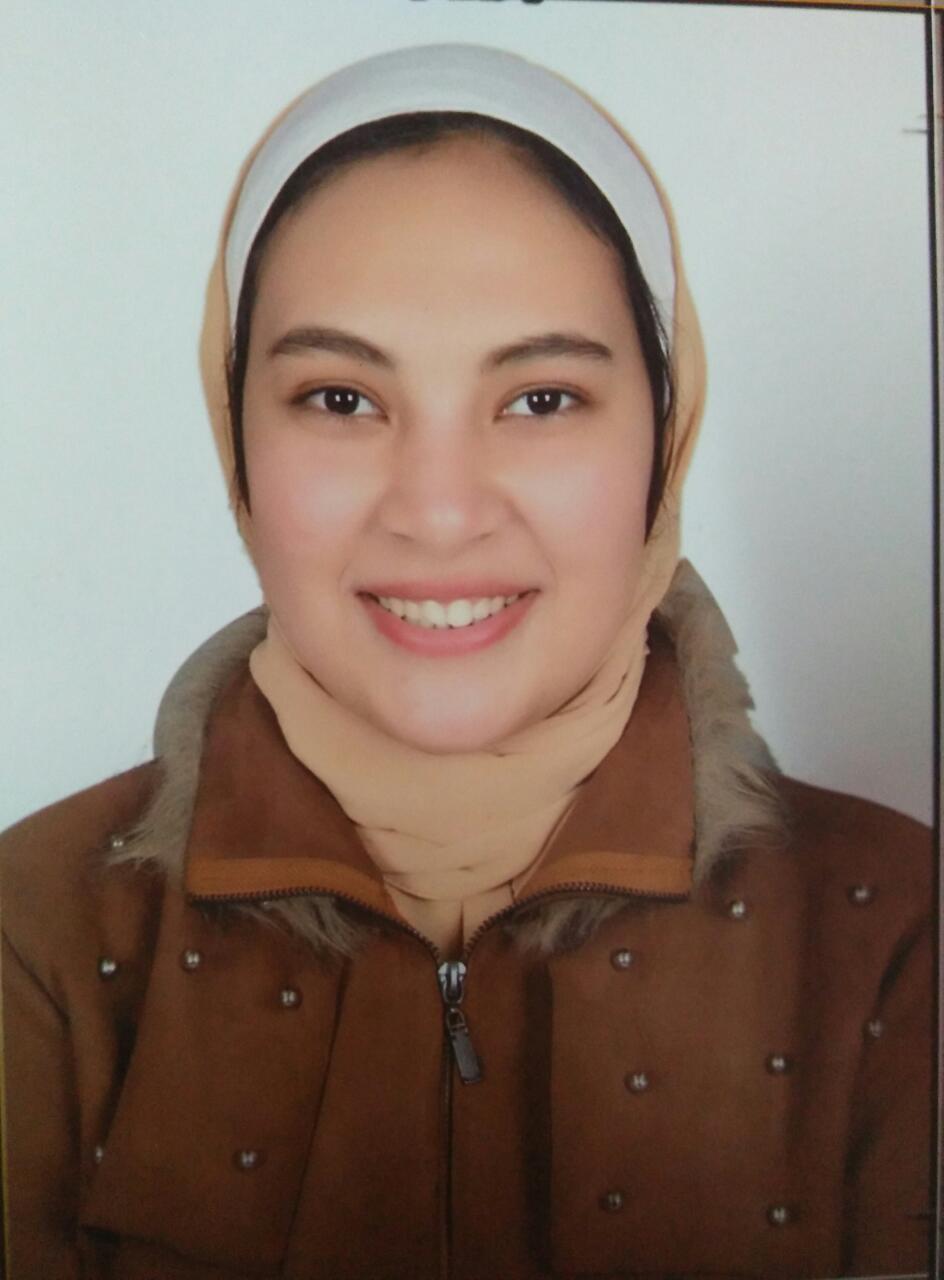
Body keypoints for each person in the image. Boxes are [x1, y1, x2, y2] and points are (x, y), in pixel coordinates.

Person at [1, 43, 932, 1280]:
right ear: (238, 443)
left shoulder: (897, 931)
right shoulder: (34, 929)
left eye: (540, 399)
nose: (439, 514)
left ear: (664, 438)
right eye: (340, 399)